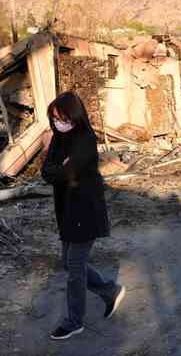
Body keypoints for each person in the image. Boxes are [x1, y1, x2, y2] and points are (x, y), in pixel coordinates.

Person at [42, 91, 125, 340]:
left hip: (85, 210)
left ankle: (74, 320)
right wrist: (61, 168)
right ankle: (109, 290)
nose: (58, 122)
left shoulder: (85, 138)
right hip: (66, 210)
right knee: (68, 262)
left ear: (74, 115)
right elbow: (47, 172)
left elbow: (66, 173)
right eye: (54, 117)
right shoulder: (58, 139)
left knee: (74, 268)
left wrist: (63, 170)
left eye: (61, 117)